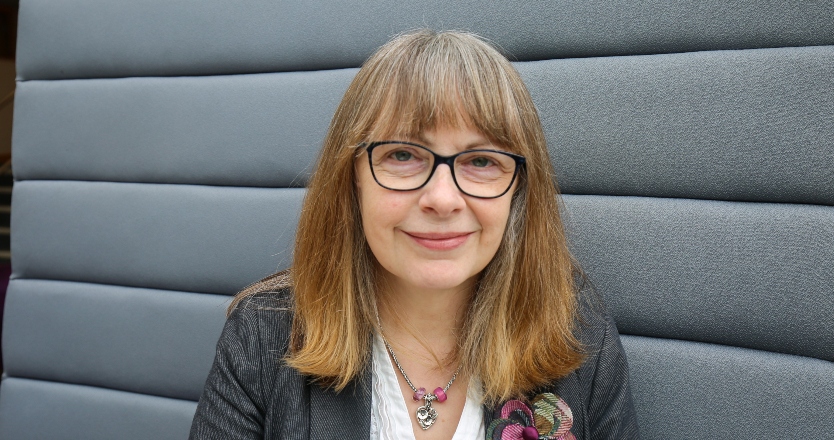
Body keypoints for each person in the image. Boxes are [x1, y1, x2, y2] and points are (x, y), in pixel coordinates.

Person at [190, 29, 639, 440]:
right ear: (352, 180)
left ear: (519, 189)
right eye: (403, 155)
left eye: (481, 161)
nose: (442, 199)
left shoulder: (578, 334)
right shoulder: (264, 332)